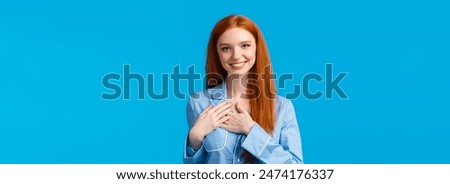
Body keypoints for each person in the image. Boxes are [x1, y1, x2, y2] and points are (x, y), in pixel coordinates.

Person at [183, 14, 303, 164]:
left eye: (245, 45)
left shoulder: (283, 108)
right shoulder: (199, 103)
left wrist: (251, 130)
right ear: (218, 54)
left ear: (257, 49)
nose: (236, 55)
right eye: (226, 48)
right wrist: (194, 138)